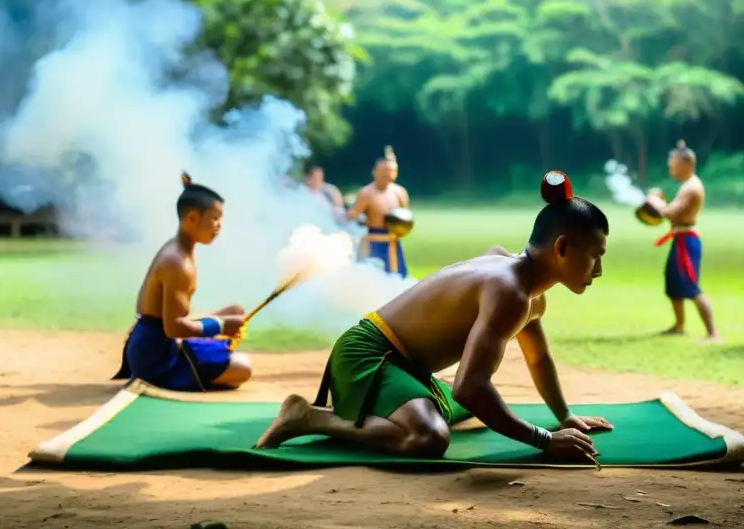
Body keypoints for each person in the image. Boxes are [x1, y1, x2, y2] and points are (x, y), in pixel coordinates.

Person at [255, 171, 613, 462]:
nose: (598, 270)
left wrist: (564, 415)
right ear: (562, 247)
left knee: (480, 405)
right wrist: (545, 440)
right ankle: (310, 417)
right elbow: (470, 387)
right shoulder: (511, 292)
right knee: (428, 437)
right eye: (595, 256)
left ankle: (386, 404)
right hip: (369, 354)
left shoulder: (522, 286)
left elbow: (539, 357)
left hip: (410, 369)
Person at [112, 173, 253, 391]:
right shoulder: (178, 262)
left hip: (155, 340)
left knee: (235, 310)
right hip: (156, 357)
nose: (218, 226)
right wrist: (222, 325)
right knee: (243, 368)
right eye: (214, 218)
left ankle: (204, 354)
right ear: (193, 218)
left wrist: (222, 321)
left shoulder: (179, 250)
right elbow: (173, 327)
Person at [644, 141, 720, 344]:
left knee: (691, 286)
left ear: (686, 163)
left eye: (673, 164)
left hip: (687, 242)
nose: (670, 168)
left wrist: (654, 201)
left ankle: (713, 333)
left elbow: (670, 213)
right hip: (679, 239)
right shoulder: (686, 186)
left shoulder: (692, 188)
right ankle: (679, 326)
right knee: (673, 282)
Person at [346, 148, 411, 277]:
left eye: (392, 171)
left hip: (393, 242)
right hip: (373, 243)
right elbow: (352, 216)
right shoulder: (366, 193)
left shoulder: (400, 192)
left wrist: (403, 228)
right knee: (374, 278)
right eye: (384, 171)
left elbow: (406, 215)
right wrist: (358, 218)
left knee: (398, 279)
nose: (388, 175)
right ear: (375, 172)